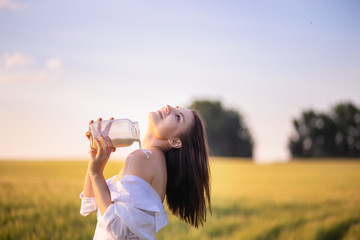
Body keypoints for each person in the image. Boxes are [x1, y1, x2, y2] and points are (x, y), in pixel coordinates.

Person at [80, 105, 211, 240]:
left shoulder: (143, 157)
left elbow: (117, 230)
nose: (168, 107)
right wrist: (96, 161)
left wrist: (96, 173)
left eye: (178, 117)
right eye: (175, 107)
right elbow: (91, 203)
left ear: (175, 141)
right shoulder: (153, 160)